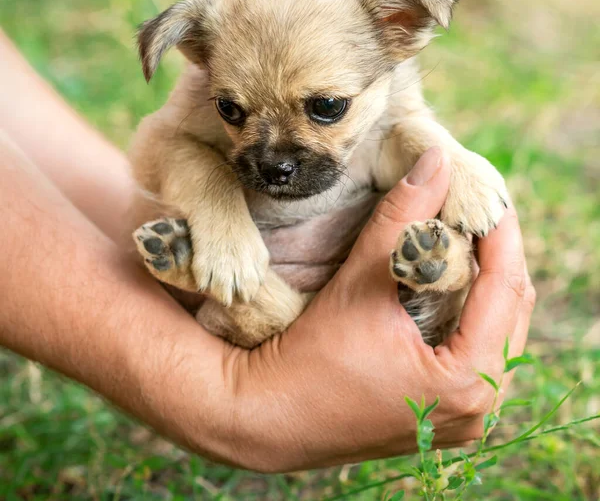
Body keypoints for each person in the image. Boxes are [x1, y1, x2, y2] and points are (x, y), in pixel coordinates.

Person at [0, 30, 535, 473]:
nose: (276, 158)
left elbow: (402, 141)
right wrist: (216, 394)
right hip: (276, 297)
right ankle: (246, 299)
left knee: (446, 256)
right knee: (250, 300)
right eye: (235, 109)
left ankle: (427, 269)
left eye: (324, 107)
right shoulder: (205, 83)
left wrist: (448, 159)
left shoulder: (386, 85)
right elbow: (164, 148)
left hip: (375, 275)